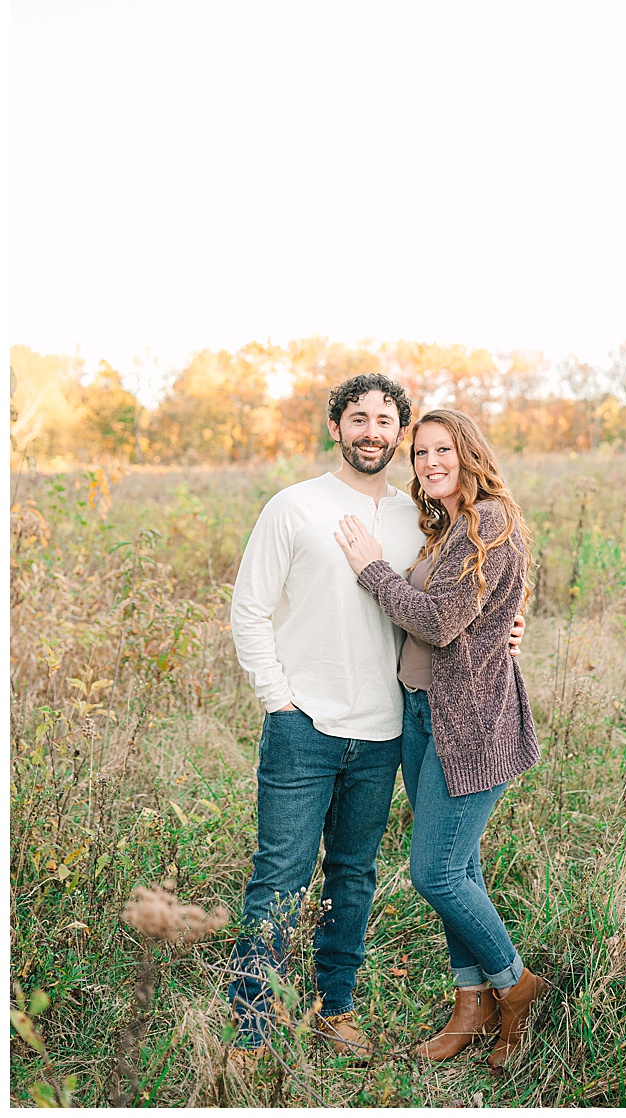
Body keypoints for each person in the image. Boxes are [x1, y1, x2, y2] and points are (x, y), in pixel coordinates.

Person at [227, 376, 523, 1062]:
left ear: (400, 434)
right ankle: (252, 1026)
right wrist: (278, 697)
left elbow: (461, 597)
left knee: (354, 876)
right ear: (336, 427)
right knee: (280, 876)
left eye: (384, 421)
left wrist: (506, 632)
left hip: (389, 729)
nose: (370, 430)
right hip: (305, 725)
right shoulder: (294, 507)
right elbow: (250, 608)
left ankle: (336, 1009)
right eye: (356, 417)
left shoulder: (418, 516)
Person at [334, 407, 546, 1068]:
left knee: (435, 872)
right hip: (422, 715)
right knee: (464, 866)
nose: (429, 463)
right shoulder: (450, 524)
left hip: (472, 724)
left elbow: (441, 620)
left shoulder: (488, 520)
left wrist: (372, 569)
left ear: (467, 452)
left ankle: (517, 988)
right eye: (420, 453)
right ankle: (472, 1003)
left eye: (442, 450)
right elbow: (486, 601)